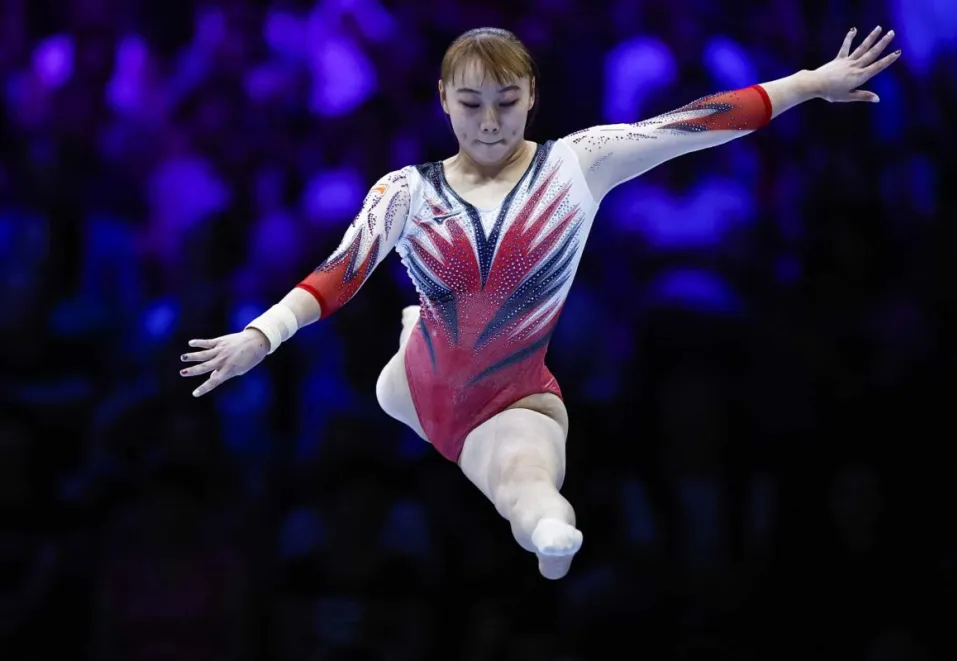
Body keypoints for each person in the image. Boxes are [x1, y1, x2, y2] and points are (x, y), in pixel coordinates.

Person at [180, 26, 900, 579]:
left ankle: (550, 537)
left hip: (510, 400)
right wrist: (260, 335)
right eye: (470, 104)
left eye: (506, 103)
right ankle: (409, 352)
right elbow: (340, 272)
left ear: (532, 95)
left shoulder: (577, 163)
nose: (489, 122)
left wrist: (811, 81)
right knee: (401, 373)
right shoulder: (404, 192)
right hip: (418, 380)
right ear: (442, 99)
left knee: (527, 487)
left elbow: (696, 122)